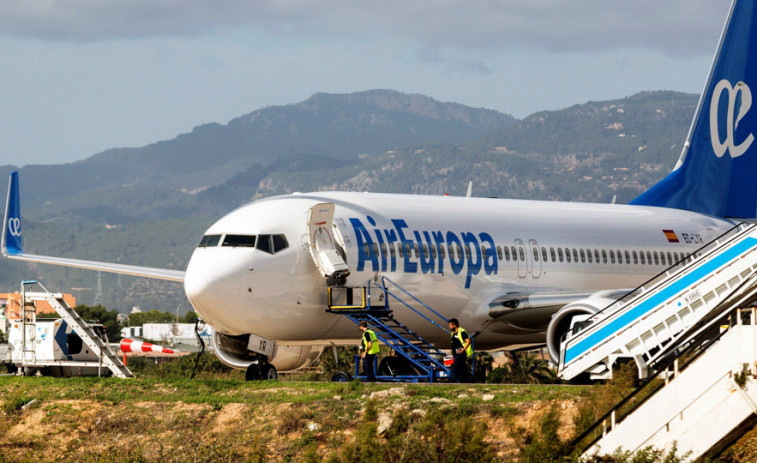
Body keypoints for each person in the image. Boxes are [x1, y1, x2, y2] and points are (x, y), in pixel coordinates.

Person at [448, 318, 473, 383]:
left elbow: (468, 341)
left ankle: (452, 381)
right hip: (455, 353)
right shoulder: (453, 333)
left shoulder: (461, 331)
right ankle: (470, 379)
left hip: (461, 353)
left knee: (454, 366)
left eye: (450, 325)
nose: (449, 327)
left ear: (454, 325)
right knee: (462, 369)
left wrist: (463, 349)